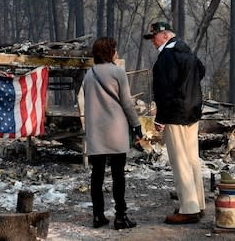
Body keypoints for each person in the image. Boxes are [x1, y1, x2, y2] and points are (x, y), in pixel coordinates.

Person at [143, 21, 206, 224]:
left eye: (154, 37)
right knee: (192, 158)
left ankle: (188, 208)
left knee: (180, 161)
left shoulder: (166, 58)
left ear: (164, 35)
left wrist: (160, 118)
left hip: (175, 113)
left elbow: (164, 91)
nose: (152, 41)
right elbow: (201, 71)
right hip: (192, 111)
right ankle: (198, 203)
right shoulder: (187, 51)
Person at [83, 37, 143, 230]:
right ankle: (120, 216)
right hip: (116, 130)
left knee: (97, 175)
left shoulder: (89, 74)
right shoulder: (118, 72)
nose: (117, 53)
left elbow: (86, 99)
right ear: (110, 52)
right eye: (115, 50)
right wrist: (136, 125)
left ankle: (98, 216)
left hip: (95, 131)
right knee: (118, 175)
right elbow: (126, 102)